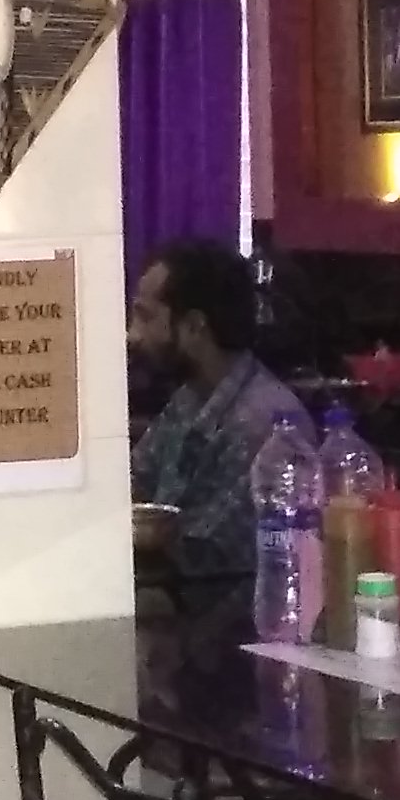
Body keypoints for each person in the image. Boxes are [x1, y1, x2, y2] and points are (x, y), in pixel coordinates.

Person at [126, 237, 308, 576]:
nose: (132, 335)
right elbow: (137, 480)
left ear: (195, 326)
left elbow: (204, 557)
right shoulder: (190, 397)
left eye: (146, 317)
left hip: (209, 603)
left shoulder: (261, 424)